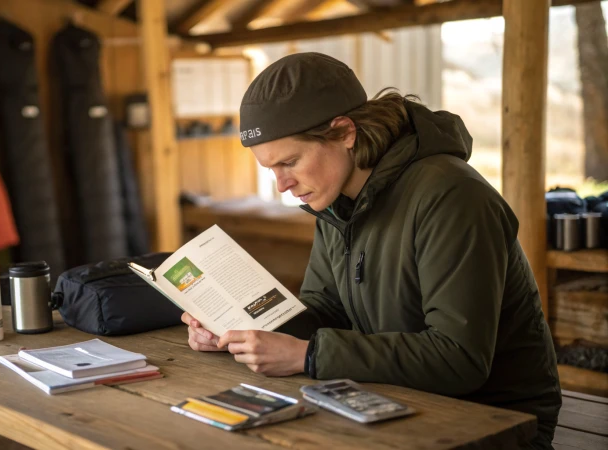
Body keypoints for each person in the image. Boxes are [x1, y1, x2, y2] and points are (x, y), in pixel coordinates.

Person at [181, 52, 561, 449]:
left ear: (345, 132)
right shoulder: (334, 201)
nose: (282, 185)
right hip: (394, 401)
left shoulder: (451, 196)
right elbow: (325, 311)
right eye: (270, 169)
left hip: (494, 420)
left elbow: (458, 358)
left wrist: (307, 357)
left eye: (290, 162)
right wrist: (236, 330)